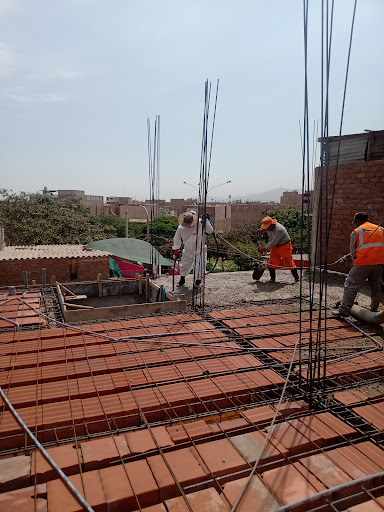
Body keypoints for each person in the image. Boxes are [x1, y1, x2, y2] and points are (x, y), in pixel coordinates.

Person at [335, 212, 384, 317]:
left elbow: (353, 251)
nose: (355, 224)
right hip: (379, 263)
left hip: (363, 263)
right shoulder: (380, 229)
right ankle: (374, 310)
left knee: (350, 285)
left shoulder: (357, 231)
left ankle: (344, 310)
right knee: (376, 286)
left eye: (355, 222)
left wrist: (354, 264)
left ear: (358, 221)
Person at [173, 210, 214, 287]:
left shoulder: (201, 223)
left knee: (199, 266)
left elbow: (210, 230)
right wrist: (176, 248)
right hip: (188, 249)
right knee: (185, 265)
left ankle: (197, 283)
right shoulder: (181, 227)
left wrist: (207, 221)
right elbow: (176, 238)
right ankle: (182, 279)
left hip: (200, 249)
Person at [259, 216, 299, 282]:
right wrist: (262, 229)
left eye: (267, 227)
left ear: (272, 225)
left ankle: (296, 278)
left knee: (288, 262)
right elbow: (273, 243)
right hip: (275, 247)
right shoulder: (269, 228)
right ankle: (272, 279)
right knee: (271, 263)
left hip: (284, 247)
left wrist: (265, 248)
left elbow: (274, 242)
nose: (267, 229)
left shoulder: (279, 230)